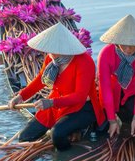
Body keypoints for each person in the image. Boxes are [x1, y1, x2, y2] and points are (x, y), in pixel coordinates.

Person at [8, 22, 105, 150]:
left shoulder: (84, 62)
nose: (50, 52)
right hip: (57, 105)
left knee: (57, 135)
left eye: (54, 49)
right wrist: (21, 97)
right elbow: (40, 81)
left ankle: (69, 158)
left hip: (81, 107)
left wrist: (51, 102)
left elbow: (80, 96)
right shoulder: (51, 59)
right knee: (25, 137)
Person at [97, 14, 135, 138]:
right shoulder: (105, 53)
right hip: (112, 93)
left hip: (133, 92)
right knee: (101, 129)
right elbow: (105, 88)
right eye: (123, 44)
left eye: (132, 44)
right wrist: (112, 120)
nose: (127, 49)